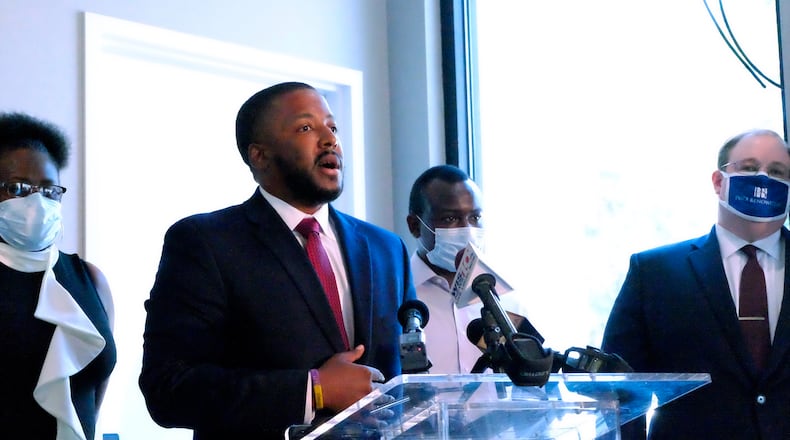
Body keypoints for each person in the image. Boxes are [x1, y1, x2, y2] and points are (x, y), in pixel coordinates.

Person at [139, 82, 416, 439]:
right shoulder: (205, 242)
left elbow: (407, 374)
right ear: (260, 155)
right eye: (306, 128)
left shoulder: (385, 248)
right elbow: (169, 388)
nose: (330, 140)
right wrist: (314, 389)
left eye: (332, 127)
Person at [601, 129, 790, 439]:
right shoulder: (654, 273)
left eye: (777, 172)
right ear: (719, 182)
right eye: (749, 167)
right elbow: (619, 392)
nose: (763, 179)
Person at [0, 112, 116, 440]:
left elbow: (93, 386)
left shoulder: (90, 279)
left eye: (50, 190)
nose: (37, 201)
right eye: (18, 188)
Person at [406, 164, 543, 374]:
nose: (468, 231)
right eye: (450, 219)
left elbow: (534, 382)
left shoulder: (505, 298)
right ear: (415, 226)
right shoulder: (396, 298)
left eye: (475, 218)